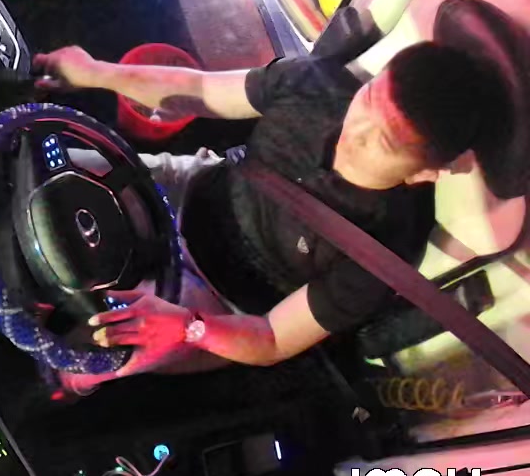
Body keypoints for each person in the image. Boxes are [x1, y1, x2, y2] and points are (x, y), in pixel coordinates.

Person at [32, 42, 507, 393]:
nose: (354, 131)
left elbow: (274, 338)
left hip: (216, 301)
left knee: (81, 353)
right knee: (38, 165)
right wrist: (96, 72)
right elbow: (197, 89)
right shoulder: (315, 84)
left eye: (380, 141)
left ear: (425, 173)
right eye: (367, 100)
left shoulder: (381, 253)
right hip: (188, 188)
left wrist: (188, 327)